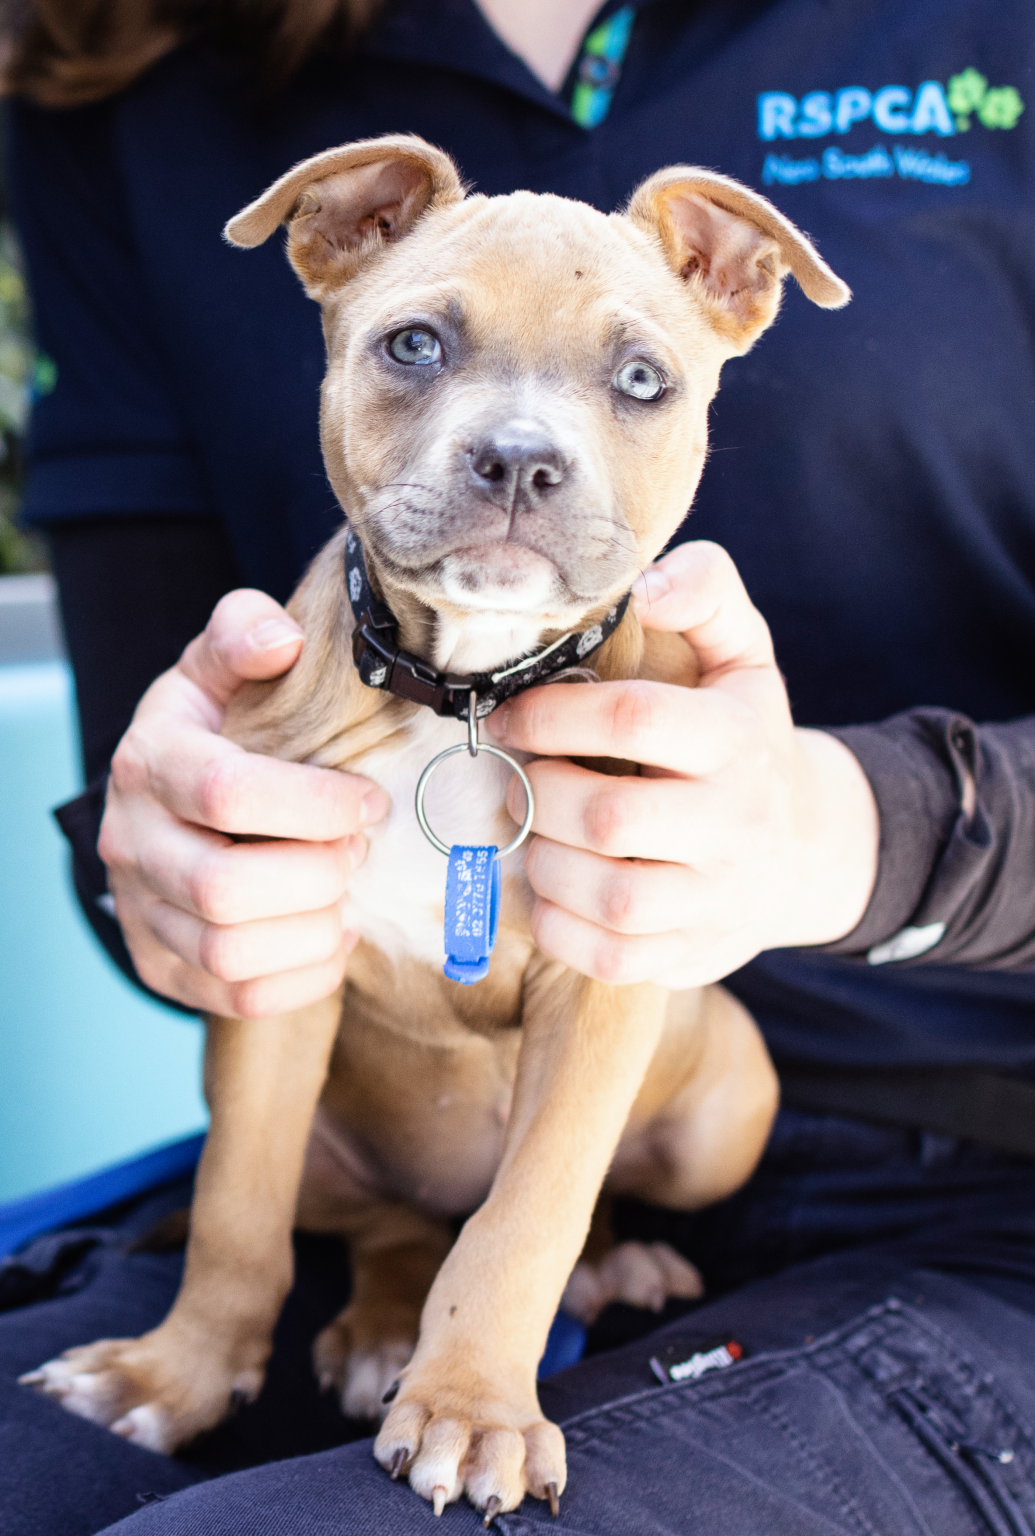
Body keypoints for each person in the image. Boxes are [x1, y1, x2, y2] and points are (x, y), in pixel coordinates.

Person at [1, 0, 1034, 1531]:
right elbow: (173, 863)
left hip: (955, 1175)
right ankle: (377, 1270)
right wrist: (170, 855)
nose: (517, 449)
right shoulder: (127, 56)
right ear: (333, 240)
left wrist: (861, 825)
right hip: (372, 1136)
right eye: (416, 348)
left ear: (735, 288)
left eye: (634, 383)